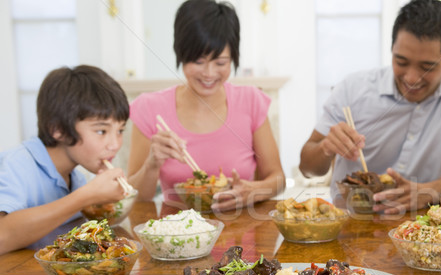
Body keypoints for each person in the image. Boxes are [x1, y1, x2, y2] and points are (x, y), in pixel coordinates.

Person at [299, 0, 441, 214]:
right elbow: (307, 169)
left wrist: (428, 190)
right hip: (352, 224)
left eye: (427, 67)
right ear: (392, 48)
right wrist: (326, 147)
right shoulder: (353, 89)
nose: (411, 78)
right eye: (401, 62)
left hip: (430, 227)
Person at [127, 0, 285, 212]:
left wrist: (253, 191)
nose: (209, 73)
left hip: (240, 236)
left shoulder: (251, 100)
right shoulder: (150, 108)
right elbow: (136, 199)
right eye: (199, 62)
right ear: (181, 55)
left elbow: (278, 179)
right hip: (176, 238)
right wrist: (152, 164)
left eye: (220, 63)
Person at [0, 65, 130, 254]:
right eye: (101, 131)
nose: (115, 144)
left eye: (120, 131)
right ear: (57, 129)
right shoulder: (16, 164)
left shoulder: (75, 177)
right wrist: (87, 196)